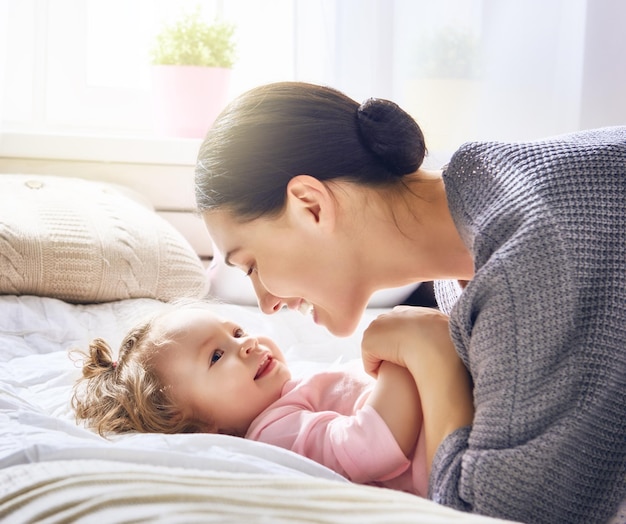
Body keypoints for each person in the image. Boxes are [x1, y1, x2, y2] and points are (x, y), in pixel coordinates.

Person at [193, 81, 626, 524]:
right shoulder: (476, 226)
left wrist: (430, 352)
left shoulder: (526, 261)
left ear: (311, 206)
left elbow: (492, 516)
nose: (266, 304)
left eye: (251, 266)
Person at [71, 300, 473, 498]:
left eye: (238, 332)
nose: (245, 345)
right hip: (452, 454)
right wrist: (400, 360)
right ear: (201, 427)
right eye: (216, 356)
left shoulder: (288, 390)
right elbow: (370, 446)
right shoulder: (272, 431)